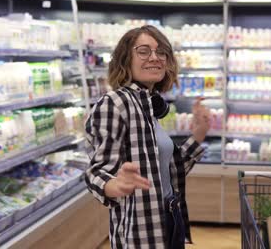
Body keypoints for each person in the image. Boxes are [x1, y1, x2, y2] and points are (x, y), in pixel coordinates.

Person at [84, 25, 211, 249]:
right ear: (125, 59)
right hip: (141, 231)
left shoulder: (148, 105)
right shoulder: (115, 103)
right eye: (144, 51)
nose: (155, 57)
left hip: (169, 218)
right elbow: (95, 173)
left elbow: (167, 170)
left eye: (161, 52)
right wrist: (115, 185)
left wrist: (198, 134)